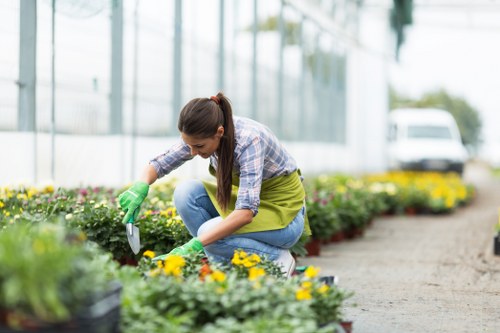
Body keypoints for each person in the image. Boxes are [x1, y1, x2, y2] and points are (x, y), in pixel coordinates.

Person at [118, 92, 311, 277]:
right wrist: (140, 187)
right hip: (258, 207)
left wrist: (194, 245)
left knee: (207, 234)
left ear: (219, 132)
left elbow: (245, 212)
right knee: (186, 193)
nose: (192, 152)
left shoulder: (249, 140)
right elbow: (160, 163)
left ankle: (276, 258)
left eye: (199, 146)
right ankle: (223, 267)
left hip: (285, 217)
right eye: (189, 145)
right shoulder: (204, 133)